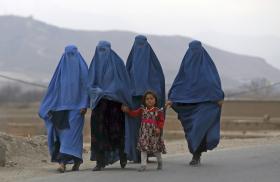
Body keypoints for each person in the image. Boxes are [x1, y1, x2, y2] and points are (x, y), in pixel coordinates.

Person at [166, 40, 224, 166]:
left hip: (204, 105)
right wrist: (173, 97)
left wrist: (219, 97)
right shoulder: (186, 66)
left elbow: (214, 83)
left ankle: (196, 155)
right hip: (188, 107)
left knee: (199, 128)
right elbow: (179, 82)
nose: (194, 52)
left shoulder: (208, 67)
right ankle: (195, 152)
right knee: (191, 132)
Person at [38, 45, 88, 172]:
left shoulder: (83, 70)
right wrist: (48, 106)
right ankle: (62, 163)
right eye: (67, 55)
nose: (69, 58)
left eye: (72, 55)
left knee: (73, 136)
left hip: (77, 109)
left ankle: (76, 160)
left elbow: (86, 88)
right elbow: (53, 89)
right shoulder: (60, 70)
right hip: (60, 108)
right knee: (62, 136)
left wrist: (84, 104)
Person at [88, 41, 132, 171]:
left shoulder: (117, 62)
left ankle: (122, 156)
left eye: (104, 50)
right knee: (98, 132)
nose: (102, 53)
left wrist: (123, 99)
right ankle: (100, 162)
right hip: (99, 103)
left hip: (115, 104)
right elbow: (89, 84)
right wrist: (97, 91)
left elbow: (124, 83)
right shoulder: (94, 64)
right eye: (100, 50)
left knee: (117, 132)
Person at [125, 35, 165, 162]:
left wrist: (152, 98)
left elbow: (159, 82)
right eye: (138, 45)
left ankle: (146, 153)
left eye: (142, 45)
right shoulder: (131, 63)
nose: (140, 48)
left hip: (149, 102)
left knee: (150, 129)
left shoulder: (153, 64)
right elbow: (125, 80)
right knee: (134, 129)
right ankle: (135, 154)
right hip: (133, 101)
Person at [122, 91, 166, 172]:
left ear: (155, 100)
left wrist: (159, 128)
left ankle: (160, 162)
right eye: (147, 99)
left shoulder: (158, 111)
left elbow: (161, 121)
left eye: (151, 98)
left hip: (154, 134)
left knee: (156, 149)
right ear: (144, 101)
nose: (149, 100)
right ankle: (143, 165)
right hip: (144, 134)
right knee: (143, 149)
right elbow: (134, 114)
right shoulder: (142, 110)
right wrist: (128, 111)